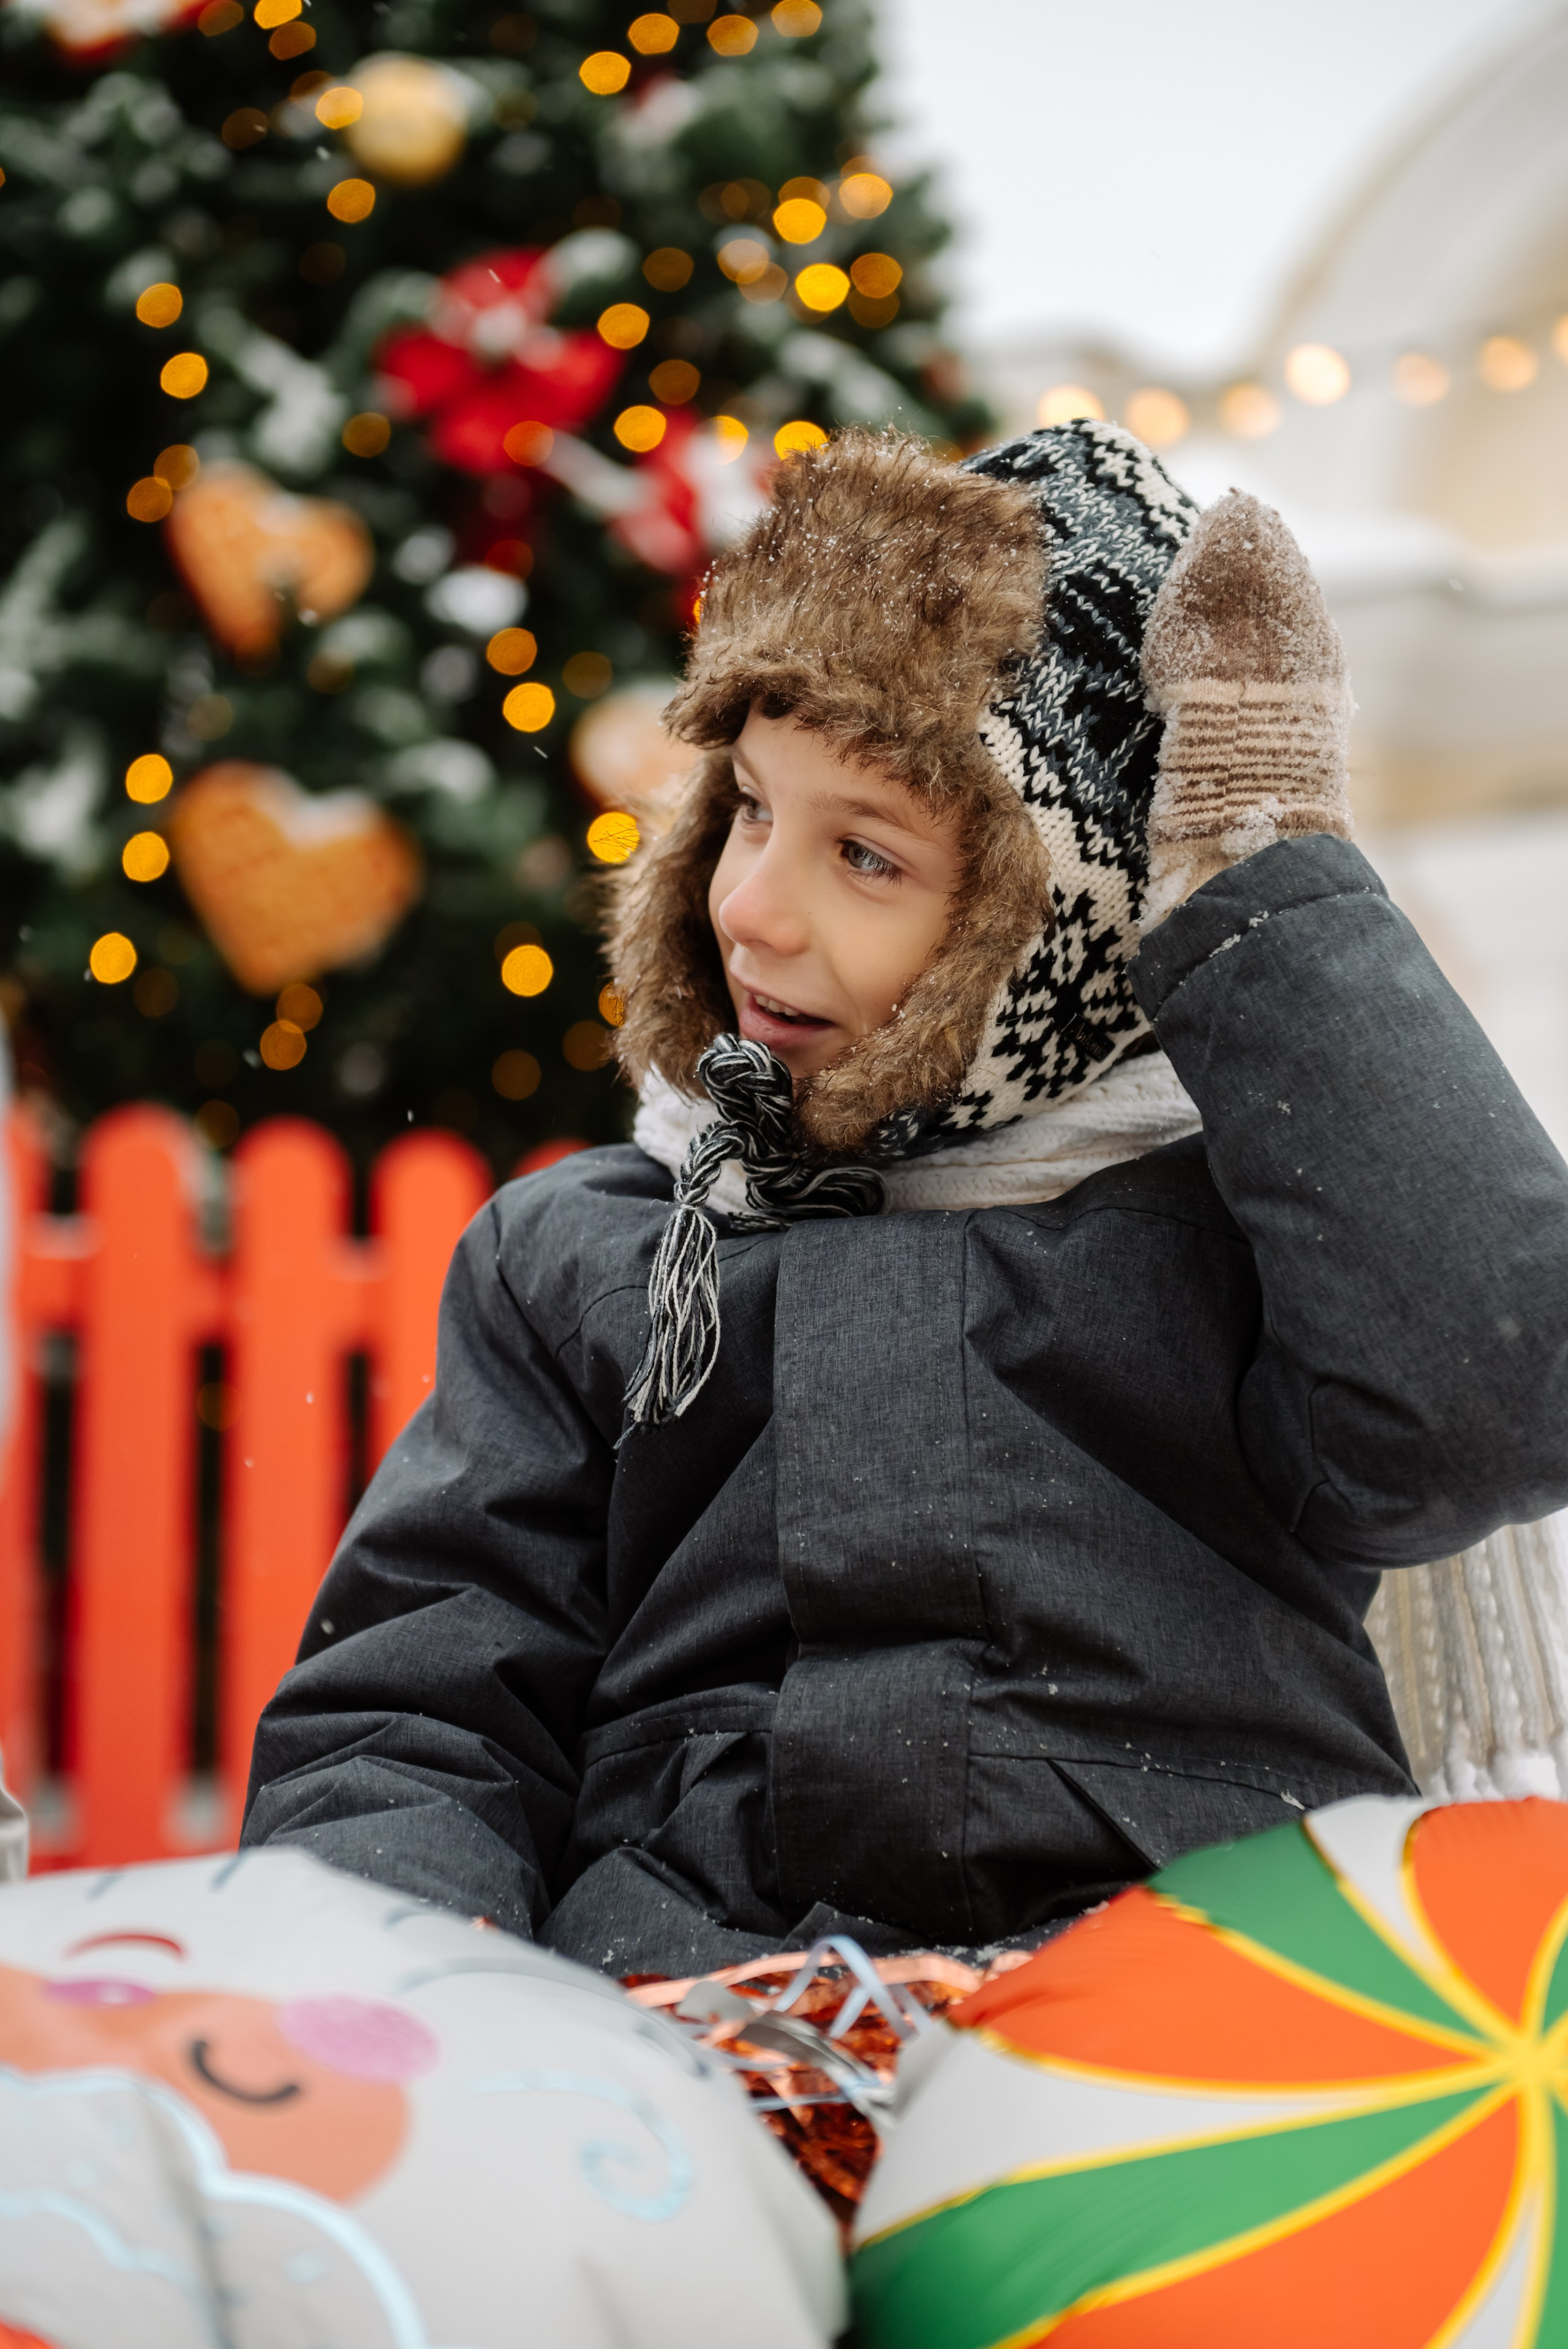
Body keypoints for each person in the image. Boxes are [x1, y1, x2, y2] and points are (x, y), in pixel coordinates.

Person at [242, 423, 1568, 1975]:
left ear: (1060, 913)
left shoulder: (1241, 1224)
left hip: (1189, 1997)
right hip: (700, 1989)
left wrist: (1253, 879)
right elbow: (425, 1701)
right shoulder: (606, 1253)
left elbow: (1491, 1390)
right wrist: (411, 1993)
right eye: (746, 807)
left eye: (862, 854)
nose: (749, 905)